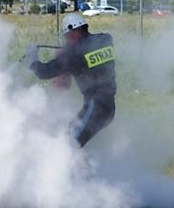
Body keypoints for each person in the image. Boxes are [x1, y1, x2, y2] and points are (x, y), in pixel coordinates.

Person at [27, 13, 117, 146]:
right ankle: (83, 165)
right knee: (68, 134)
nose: (67, 40)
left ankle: (68, 166)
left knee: (69, 145)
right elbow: (88, 47)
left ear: (75, 31)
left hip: (95, 106)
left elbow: (43, 72)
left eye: (67, 36)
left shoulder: (74, 55)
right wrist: (71, 48)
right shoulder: (105, 39)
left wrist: (33, 57)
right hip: (107, 106)